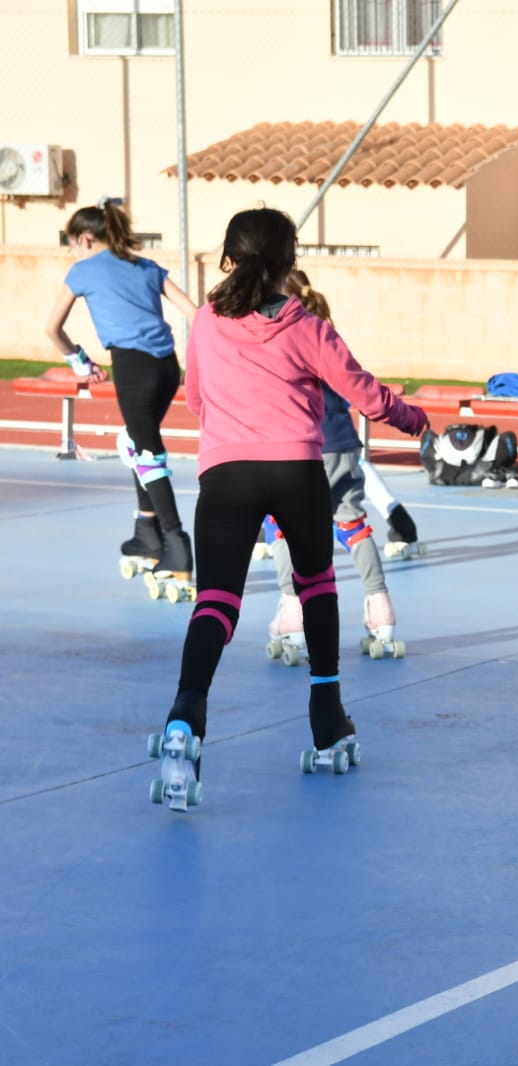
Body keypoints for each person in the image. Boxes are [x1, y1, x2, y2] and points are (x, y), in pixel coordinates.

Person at [147, 207, 429, 812]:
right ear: (290, 262)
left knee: (217, 602)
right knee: (316, 585)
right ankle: (326, 720)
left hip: (226, 474)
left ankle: (184, 717)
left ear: (228, 257)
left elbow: (195, 398)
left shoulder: (202, 323)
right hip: (296, 469)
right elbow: (364, 393)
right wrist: (415, 419)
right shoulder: (307, 324)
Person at [44, 201, 200, 588]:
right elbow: (196, 315)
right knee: (132, 440)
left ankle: (176, 544)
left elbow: (52, 329)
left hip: (133, 369)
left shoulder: (82, 271)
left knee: (148, 453)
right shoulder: (146, 267)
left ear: (84, 239)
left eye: (73, 245)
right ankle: (146, 534)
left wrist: (80, 361)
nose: (74, 253)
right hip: (166, 368)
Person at [260, 269, 409, 667]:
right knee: (353, 525)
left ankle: (293, 612)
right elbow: (354, 383)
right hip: (343, 444)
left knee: (282, 526)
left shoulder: (281, 334)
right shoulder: (324, 333)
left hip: (302, 447)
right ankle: (381, 611)